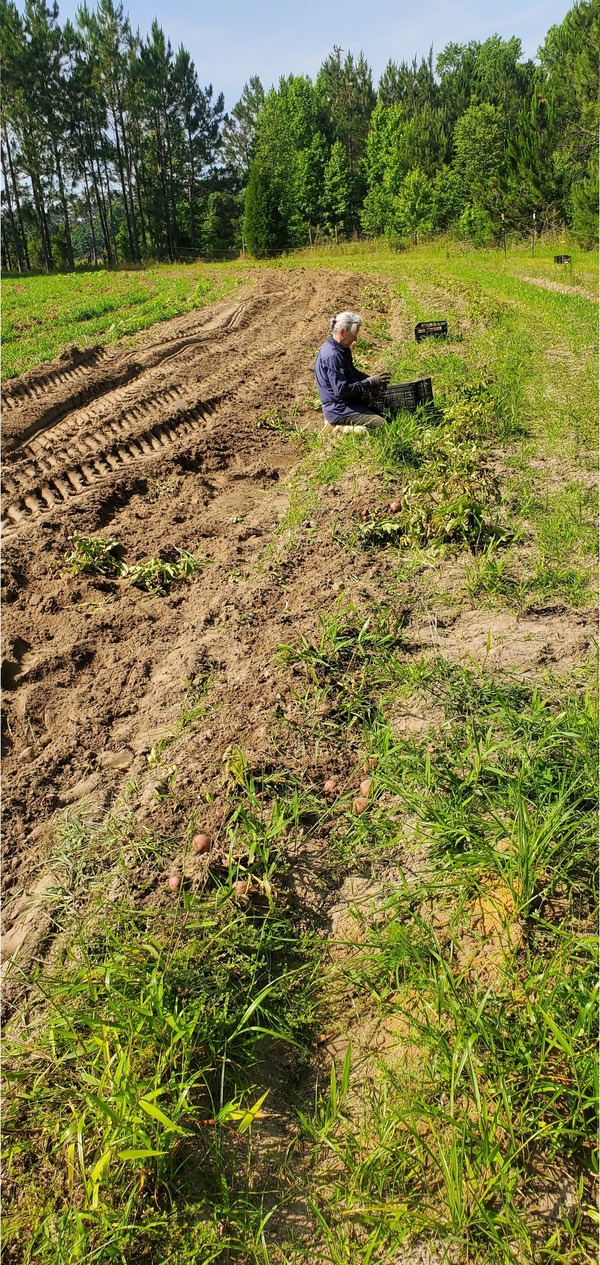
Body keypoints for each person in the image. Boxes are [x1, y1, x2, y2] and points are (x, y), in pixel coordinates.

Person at [314, 311, 391, 433]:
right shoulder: (332, 356)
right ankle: (341, 428)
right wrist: (369, 383)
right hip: (339, 409)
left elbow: (352, 373)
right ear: (343, 332)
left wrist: (373, 380)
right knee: (382, 425)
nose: (356, 338)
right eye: (354, 334)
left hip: (350, 402)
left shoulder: (343, 350)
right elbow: (341, 391)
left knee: (388, 415)